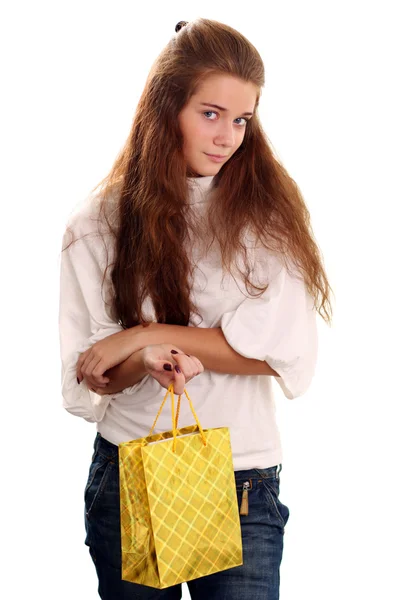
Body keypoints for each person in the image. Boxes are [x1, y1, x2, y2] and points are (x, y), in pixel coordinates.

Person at [59, 17, 333, 600]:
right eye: (210, 113)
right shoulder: (96, 225)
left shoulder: (267, 218)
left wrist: (145, 332)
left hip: (242, 480)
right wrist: (146, 356)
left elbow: (278, 356)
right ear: (166, 110)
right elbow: (96, 374)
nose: (227, 136)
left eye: (241, 119)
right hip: (131, 470)